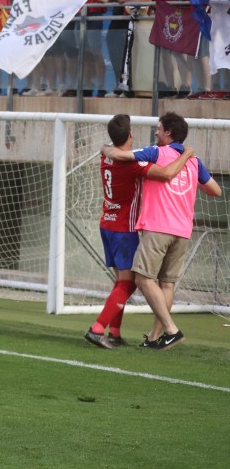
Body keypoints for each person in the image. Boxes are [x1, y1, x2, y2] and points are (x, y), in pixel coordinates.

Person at [102, 113, 222, 350]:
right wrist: (191, 172)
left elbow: (120, 154)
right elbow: (216, 191)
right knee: (167, 284)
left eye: (158, 128)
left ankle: (172, 330)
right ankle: (156, 337)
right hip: (184, 230)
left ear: (168, 132)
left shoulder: (158, 152)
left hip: (158, 227)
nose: (156, 132)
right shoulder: (194, 162)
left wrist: (104, 148)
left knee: (143, 279)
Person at [84, 114, 195, 349]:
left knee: (120, 280)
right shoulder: (132, 164)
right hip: (124, 227)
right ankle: (97, 329)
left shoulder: (107, 157)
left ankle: (114, 331)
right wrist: (186, 154)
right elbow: (166, 174)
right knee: (130, 283)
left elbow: (112, 152)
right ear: (131, 135)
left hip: (107, 222)